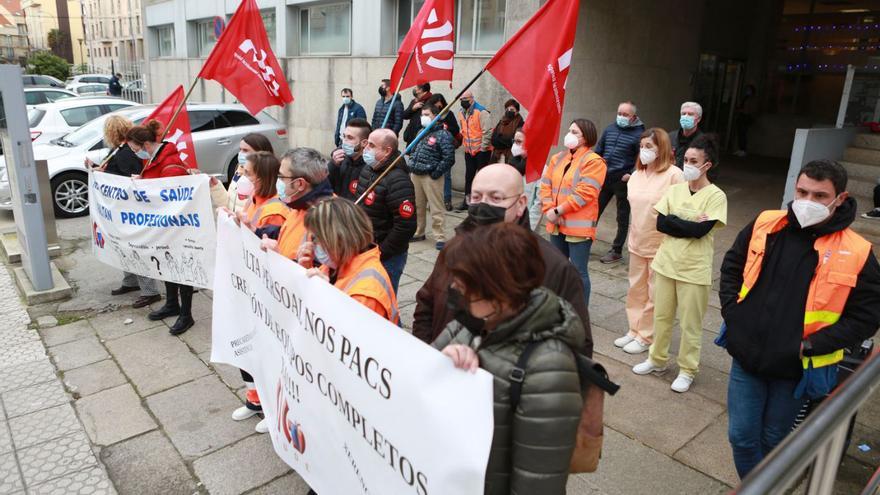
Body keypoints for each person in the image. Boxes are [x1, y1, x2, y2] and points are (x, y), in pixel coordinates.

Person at [720, 159, 880, 479]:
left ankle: (764, 485)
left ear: (840, 198)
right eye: (802, 192)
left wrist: (810, 345)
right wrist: (734, 316)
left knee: (774, 438)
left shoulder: (857, 251)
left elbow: (867, 315)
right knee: (741, 436)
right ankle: (763, 486)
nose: (807, 202)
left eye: (820, 196)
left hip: (796, 367)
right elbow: (732, 267)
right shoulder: (766, 223)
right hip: (747, 355)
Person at [432, 222, 585, 495]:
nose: (458, 293)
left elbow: (538, 482)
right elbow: (418, 383)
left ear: (500, 291)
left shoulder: (549, 368)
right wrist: (442, 363)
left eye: (467, 287)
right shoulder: (469, 322)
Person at [413, 163, 592, 357]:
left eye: (495, 198)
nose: (483, 205)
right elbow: (426, 303)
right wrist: (426, 355)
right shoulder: (454, 248)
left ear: (521, 204)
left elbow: (577, 348)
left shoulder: (555, 267)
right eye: (476, 197)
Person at [632, 134, 727, 393]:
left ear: (708, 165)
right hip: (665, 264)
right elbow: (661, 223)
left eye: (694, 161)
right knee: (661, 317)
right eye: (686, 159)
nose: (688, 164)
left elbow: (700, 231)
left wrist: (679, 222)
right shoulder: (674, 190)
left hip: (693, 270)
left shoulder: (716, 196)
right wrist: (688, 223)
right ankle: (657, 359)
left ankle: (687, 369)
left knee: (690, 324)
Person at [614, 128, 684, 355]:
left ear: (661, 149)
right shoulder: (636, 175)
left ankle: (646, 335)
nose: (644, 151)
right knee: (636, 288)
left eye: (649, 147)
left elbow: (680, 211)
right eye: (642, 147)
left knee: (655, 293)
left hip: (660, 243)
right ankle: (634, 329)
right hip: (637, 240)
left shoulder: (674, 175)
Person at [127, 120, 195, 335]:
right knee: (166, 265)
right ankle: (172, 304)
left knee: (180, 270)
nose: (136, 154)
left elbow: (170, 200)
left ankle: (186, 315)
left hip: (176, 229)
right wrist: (142, 180)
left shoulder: (170, 165)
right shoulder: (155, 160)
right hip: (162, 228)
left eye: (136, 150)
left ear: (146, 145)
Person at [90, 115, 161, 309]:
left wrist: (105, 175)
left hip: (129, 210)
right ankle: (131, 281)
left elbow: (126, 180)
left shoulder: (125, 153)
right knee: (123, 245)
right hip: (120, 210)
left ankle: (150, 291)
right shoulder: (120, 151)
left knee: (135, 247)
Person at [539, 119, 607, 307]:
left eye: (575, 132)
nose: (569, 134)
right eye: (569, 130)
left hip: (578, 227)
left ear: (586, 137)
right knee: (558, 268)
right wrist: (549, 209)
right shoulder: (558, 158)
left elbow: (586, 193)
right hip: (557, 223)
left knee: (578, 271)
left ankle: (579, 311)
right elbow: (545, 185)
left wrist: (559, 210)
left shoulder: (594, 161)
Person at [300, 197, 399, 323]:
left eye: (317, 239)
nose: (314, 245)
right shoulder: (338, 262)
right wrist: (305, 268)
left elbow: (340, 334)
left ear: (340, 239)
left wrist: (326, 294)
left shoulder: (365, 293)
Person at [354, 129, 417, 292]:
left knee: (383, 301)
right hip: (364, 248)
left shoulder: (398, 180)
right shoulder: (368, 169)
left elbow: (405, 226)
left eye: (372, 145)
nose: (366, 148)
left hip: (386, 256)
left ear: (387, 151)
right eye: (367, 143)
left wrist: (381, 252)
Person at [594, 101, 645, 264]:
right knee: (593, 211)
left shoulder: (641, 134)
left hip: (623, 181)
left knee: (622, 217)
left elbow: (642, 158)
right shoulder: (610, 129)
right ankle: (584, 241)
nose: (621, 117)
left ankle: (616, 250)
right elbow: (599, 150)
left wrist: (630, 174)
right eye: (619, 113)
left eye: (625, 115)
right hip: (605, 178)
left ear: (634, 117)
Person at [264, 147, 335, 261]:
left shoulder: (328, 220)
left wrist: (277, 259)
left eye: (282, 177)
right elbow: (287, 233)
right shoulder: (299, 203)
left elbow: (320, 272)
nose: (278, 181)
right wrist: (253, 230)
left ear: (300, 184)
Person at [408, 104, 455, 250]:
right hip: (416, 173)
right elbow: (414, 149)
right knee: (418, 206)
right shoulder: (421, 131)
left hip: (431, 176)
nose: (423, 117)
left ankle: (440, 236)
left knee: (436, 208)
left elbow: (449, 158)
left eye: (427, 114)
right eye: (422, 114)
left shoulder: (443, 135)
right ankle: (419, 231)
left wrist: (436, 173)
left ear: (436, 116)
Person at [217, 134, 275, 213]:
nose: (240, 154)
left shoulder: (265, 180)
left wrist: (240, 219)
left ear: (260, 153)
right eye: (240, 149)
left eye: (245, 150)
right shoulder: (239, 171)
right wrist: (216, 186)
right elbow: (230, 199)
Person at [237, 151, 289, 239]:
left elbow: (267, 248)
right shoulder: (254, 196)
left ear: (262, 179)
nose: (243, 176)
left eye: (248, 173)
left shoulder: (275, 213)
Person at [456, 90, 492, 211]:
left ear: (472, 99)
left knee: (482, 178)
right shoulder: (461, 113)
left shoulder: (481, 112)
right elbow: (464, 131)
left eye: (465, 100)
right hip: (469, 151)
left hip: (482, 151)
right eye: (461, 100)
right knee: (469, 177)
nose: (463, 102)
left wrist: (482, 148)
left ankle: (483, 204)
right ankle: (467, 202)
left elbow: (487, 132)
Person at [426, 93, 460, 211]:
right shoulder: (430, 114)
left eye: (439, 103)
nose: (437, 106)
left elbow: (456, 129)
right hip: (433, 148)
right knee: (432, 176)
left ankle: (447, 200)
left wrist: (446, 127)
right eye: (435, 104)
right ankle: (433, 201)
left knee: (446, 175)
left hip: (445, 147)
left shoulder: (448, 114)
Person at [328, 118, 371, 201]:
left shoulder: (369, 166)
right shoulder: (339, 159)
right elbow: (326, 186)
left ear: (364, 143)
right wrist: (333, 165)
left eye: (350, 138)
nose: (345, 141)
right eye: (344, 136)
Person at [509, 127, 543, 229]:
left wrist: (528, 228)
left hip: (525, 224)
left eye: (519, 142)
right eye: (514, 141)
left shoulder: (540, 169)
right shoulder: (512, 163)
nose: (515, 144)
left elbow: (538, 204)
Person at [670, 102, 704, 168]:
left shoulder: (704, 141)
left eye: (690, 114)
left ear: (699, 119)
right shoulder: (670, 137)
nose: (686, 116)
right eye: (683, 114)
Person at [489, 99, 524, 163]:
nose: (509, 111)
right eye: (507, 109)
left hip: (510, 158)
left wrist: (499, 138)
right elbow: (493, 139)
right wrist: (502, 140)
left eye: (512, 110)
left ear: (517, 111)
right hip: (497, 156)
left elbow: (513, 141)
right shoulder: (502, 121)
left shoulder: (520, 123)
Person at [734, 84, 757, 157]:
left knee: (743, 133)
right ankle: (740, 149)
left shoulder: (752, 99)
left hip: (746, 117)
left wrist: (742, 110)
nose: (747, 91)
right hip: (742, 117)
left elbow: (750, 110)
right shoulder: (745, 98)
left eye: (749, 90)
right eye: (747, 90)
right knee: (740, 133)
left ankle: (743, 150)